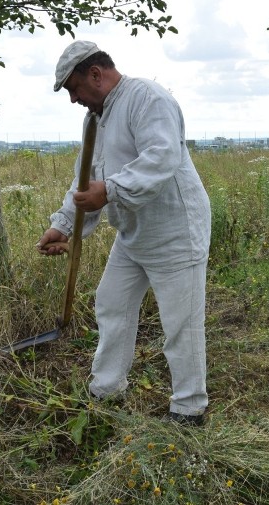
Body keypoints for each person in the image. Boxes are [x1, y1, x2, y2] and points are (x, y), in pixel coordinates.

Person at [37, 40, 211, 425]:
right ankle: (106, 388)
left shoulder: (148, 99)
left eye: (73, 89)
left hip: (175, 232)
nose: (73, 100)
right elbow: (87, 180)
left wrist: (111, 191)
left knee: (181, 323)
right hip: (134, 235)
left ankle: (189, 408)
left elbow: (161, 157)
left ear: (95, 74)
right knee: (111, 303)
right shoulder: (95, 120)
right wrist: (63, 225)